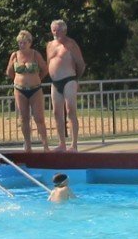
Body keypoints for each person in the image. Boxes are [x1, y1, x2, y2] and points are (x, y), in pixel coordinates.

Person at [9, 28, 53, 155]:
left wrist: (36, 78)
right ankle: (28, 145)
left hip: (35, 89)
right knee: (24, 118)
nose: (21, 45)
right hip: (20, 90)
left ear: (29, 42)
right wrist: (19, 79)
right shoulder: (15, 55)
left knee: (39, 118)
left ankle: (45, 145)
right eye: (20, 43)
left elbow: (45, 69)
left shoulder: (35, 54)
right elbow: (9, 71)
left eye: (24, 42)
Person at [46, 19, 87, 153]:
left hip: (69, 79)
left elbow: (81, 64)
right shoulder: (50, 45)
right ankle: (61, 143)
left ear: (64, 30)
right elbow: (49, 62)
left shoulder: (71, 44)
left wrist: (75, 79)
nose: (56, 32)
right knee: (57, 113)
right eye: (54, 29)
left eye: (58, 29)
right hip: (55, 82)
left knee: (70, 111)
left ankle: (74, 145)